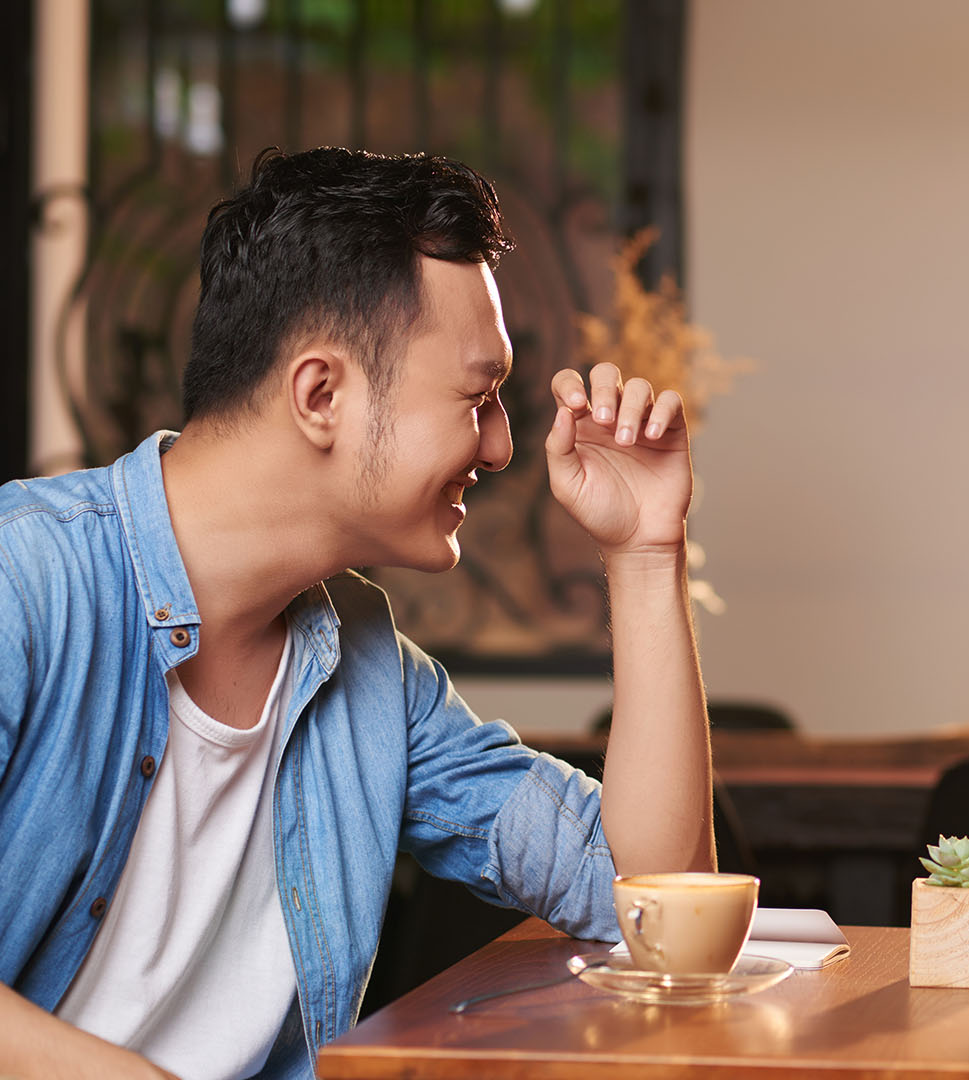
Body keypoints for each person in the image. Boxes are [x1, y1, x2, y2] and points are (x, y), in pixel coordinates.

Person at [0, 148, 715, 1079]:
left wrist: (646, 551)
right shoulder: (26, 584)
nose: (501, 447)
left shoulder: (370, 669)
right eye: (479, 396)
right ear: (322, 394)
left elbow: (651, 899)